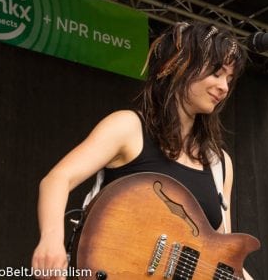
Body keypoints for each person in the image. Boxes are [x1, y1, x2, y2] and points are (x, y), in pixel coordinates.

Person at [31, 21, 254, 279]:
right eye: (217, 73)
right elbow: (57, 179)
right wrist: (51, 239)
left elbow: (222, 256)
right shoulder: (128, 127)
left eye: (229, 79)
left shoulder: (219, 163)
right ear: (180, 64)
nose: (224, 88)